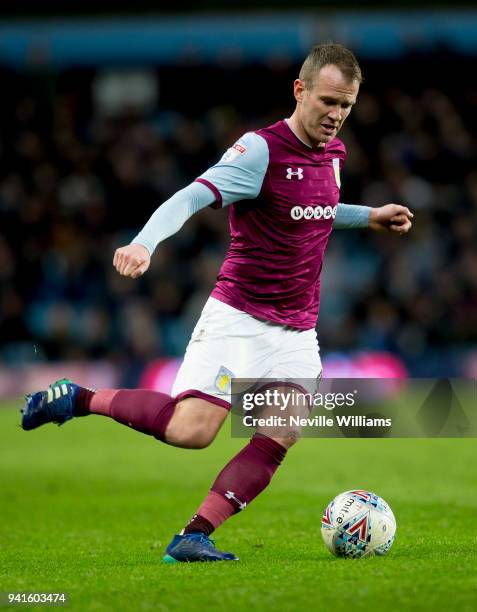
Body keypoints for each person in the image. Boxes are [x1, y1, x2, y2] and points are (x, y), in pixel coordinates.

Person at [21, 43, 413, 563]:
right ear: (300, 90)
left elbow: (315, 209)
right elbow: (190, 196)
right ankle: (80, 397)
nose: (336, 116)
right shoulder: (258, 151)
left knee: (286, 424)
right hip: (238, 318)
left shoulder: (334, 156)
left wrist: (368, 216)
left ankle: (193, 535)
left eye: (346, 106)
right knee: (193, 431)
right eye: (327, 102)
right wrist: (145, 242)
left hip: (297, 330)